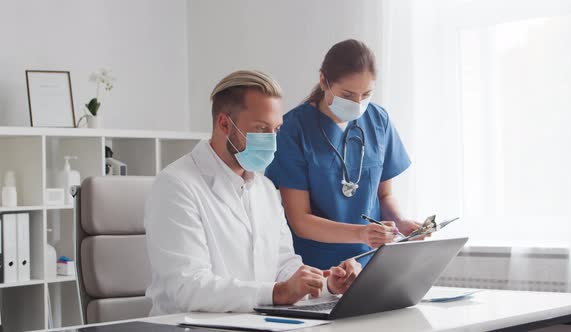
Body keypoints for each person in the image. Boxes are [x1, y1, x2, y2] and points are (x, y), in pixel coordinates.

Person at [144, 70, 360, 315]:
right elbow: (187, 287)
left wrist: (327, 284)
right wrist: (277, 293)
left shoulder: (265, 188)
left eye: (276, 130)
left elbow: (283, 266)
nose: (271, 141)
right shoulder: (176, 185)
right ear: (224, 123)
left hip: (254, 322)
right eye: (261, 129)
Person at [265, 39, 420, 270]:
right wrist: (362, 233)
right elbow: (300, 221)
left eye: (366, 94)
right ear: (323, 81)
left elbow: (384, 196)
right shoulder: (293, 129)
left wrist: (400, 222)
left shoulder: (379, 121)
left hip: (371, 263)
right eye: (347, 95)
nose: (358, 104)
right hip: (317, 268)